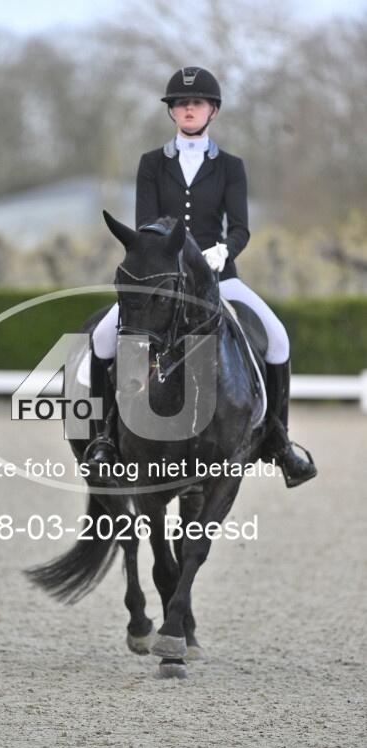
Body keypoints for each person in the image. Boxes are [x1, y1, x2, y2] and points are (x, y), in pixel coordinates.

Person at [85, 66, 317, 488]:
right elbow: (146, 225)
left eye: (196, 103)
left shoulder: (230, 166)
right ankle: (103, 439)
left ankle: (279, 442)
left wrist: (224, 250)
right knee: (102, 338)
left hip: (219, 277)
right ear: (172, 112)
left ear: (213, 110)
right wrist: (171, 258)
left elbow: (241, 227)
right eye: (180, 104)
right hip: (164, 279)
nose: (188, 109)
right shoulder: (152, 163)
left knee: (278, 338)